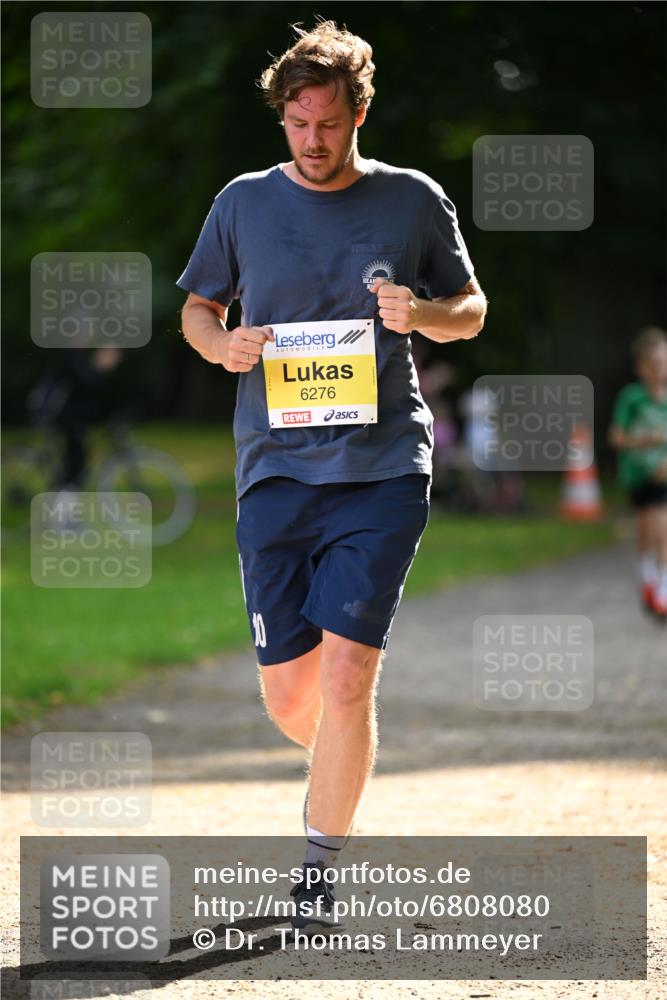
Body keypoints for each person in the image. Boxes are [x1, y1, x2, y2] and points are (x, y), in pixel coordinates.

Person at [176, 19, 487, 933]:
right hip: (273, 469)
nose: (314, 142)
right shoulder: (241, 203)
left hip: (382, 466)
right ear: (282, 118)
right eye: (297, 124)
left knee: (350, 676)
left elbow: (467, 312)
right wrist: (222, 344)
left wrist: (420, 309)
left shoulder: (411, 199)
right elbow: (197, 307)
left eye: (330, 124)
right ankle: (345, 766)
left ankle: (318, 867)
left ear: (360, 114)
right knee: (290, 696)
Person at [609, 326, 667, 620]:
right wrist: (642, 441)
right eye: (654, 364)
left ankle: (663, 589)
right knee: (646, 529)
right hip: (637, 475)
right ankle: (647, 574)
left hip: (663, 476)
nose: (660, 370)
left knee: (662, 524)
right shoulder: (632, 398)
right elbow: (616, 438)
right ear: (640, 367)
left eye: (664, 363)